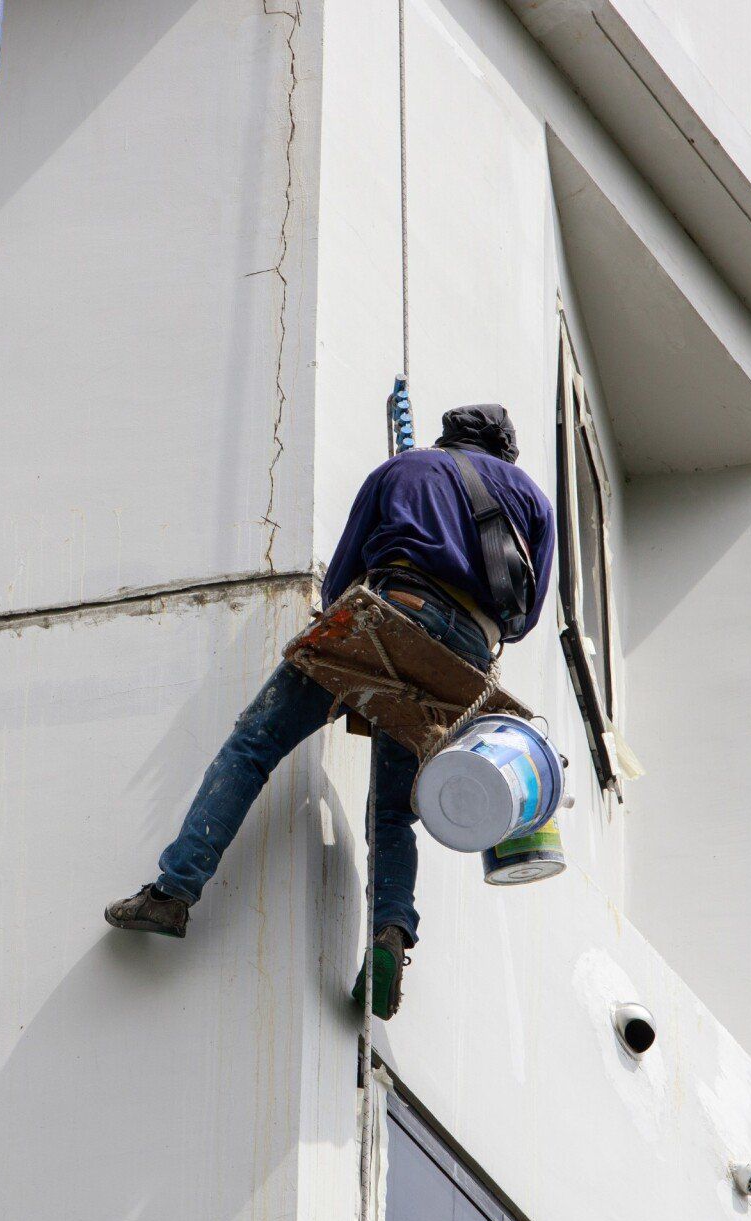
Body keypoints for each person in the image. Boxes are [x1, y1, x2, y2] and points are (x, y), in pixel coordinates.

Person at [105, 404, 556, 1018]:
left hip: (391, 611)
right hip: (464, 663)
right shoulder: (531, 499)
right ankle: (389, 932)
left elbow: (341, 576)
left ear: (446, 437)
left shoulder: (404, 469)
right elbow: (524, 619)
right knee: (395, 811)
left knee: (254, 745)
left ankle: (174, 892)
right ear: (505, 453)